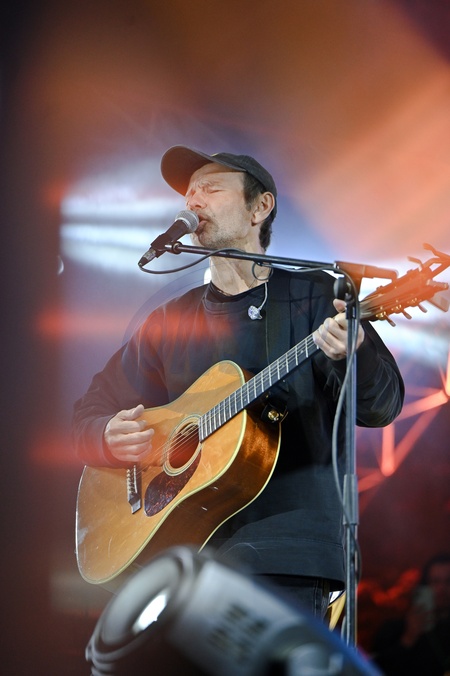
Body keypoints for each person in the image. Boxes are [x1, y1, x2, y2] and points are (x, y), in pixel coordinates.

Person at [73, 145, 404, 620]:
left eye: (210, 188)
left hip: (284, 557)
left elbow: (382, 407)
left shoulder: (315, 296)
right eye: (189, 193)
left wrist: (356, 353)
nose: (193, 201)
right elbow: (89, 411)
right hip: (183, 566)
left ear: (259, 207)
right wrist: (104, 437)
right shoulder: (169, 321)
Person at [372, 553, 450, 675]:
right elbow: (375, 669)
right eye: (435, 582)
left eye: (448, 581)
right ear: (423, 587)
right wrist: (408, 639)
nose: (442, 589)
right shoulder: (393, 630)